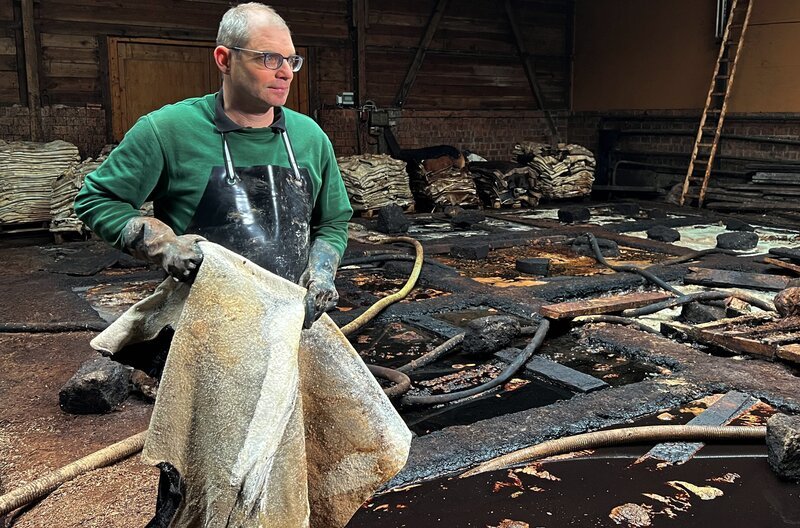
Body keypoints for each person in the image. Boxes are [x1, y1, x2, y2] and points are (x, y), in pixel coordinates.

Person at [73, 3, 353, 526]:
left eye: (292, 60)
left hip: (289, 327)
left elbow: (333, 222)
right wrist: (160, 242)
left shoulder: (309, 139)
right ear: (224, 58)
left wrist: (322, 272)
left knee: (284, 459)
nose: (283, 72)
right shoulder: (168, 130)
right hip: (208, 338)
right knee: (203, 470)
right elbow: (97, 201)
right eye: (269, 57)